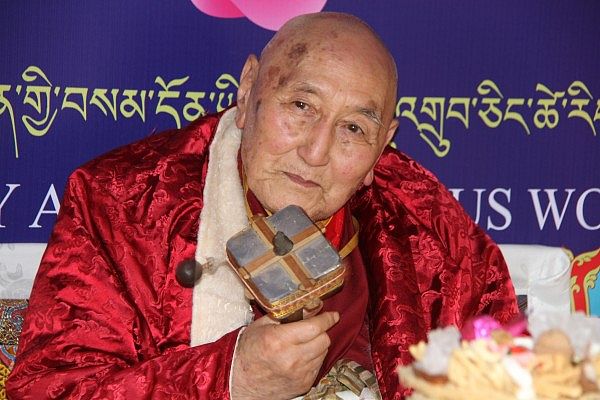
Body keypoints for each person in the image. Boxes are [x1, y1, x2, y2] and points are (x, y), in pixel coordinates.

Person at [7, 12, 518, 400]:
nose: (315, 152)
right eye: (301, 106)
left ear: (384, 143)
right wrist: (231, 377)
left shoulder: (431, 228)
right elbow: (49, 390)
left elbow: (504, 381)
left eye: (354, 128)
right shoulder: (124, 202)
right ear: (248, 86)